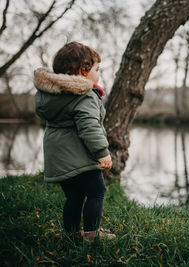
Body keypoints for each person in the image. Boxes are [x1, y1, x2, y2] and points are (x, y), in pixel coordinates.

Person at [34, 41, 115, 243]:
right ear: (83, 71)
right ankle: (91, 234)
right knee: (97, 191)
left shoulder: (51, 95)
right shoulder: (83, 96)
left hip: (58, 157)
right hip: (79, 157)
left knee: (74, 197)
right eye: (97, 69)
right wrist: (102, 152)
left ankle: (71, 234)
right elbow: (89, 128)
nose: (99, 73)